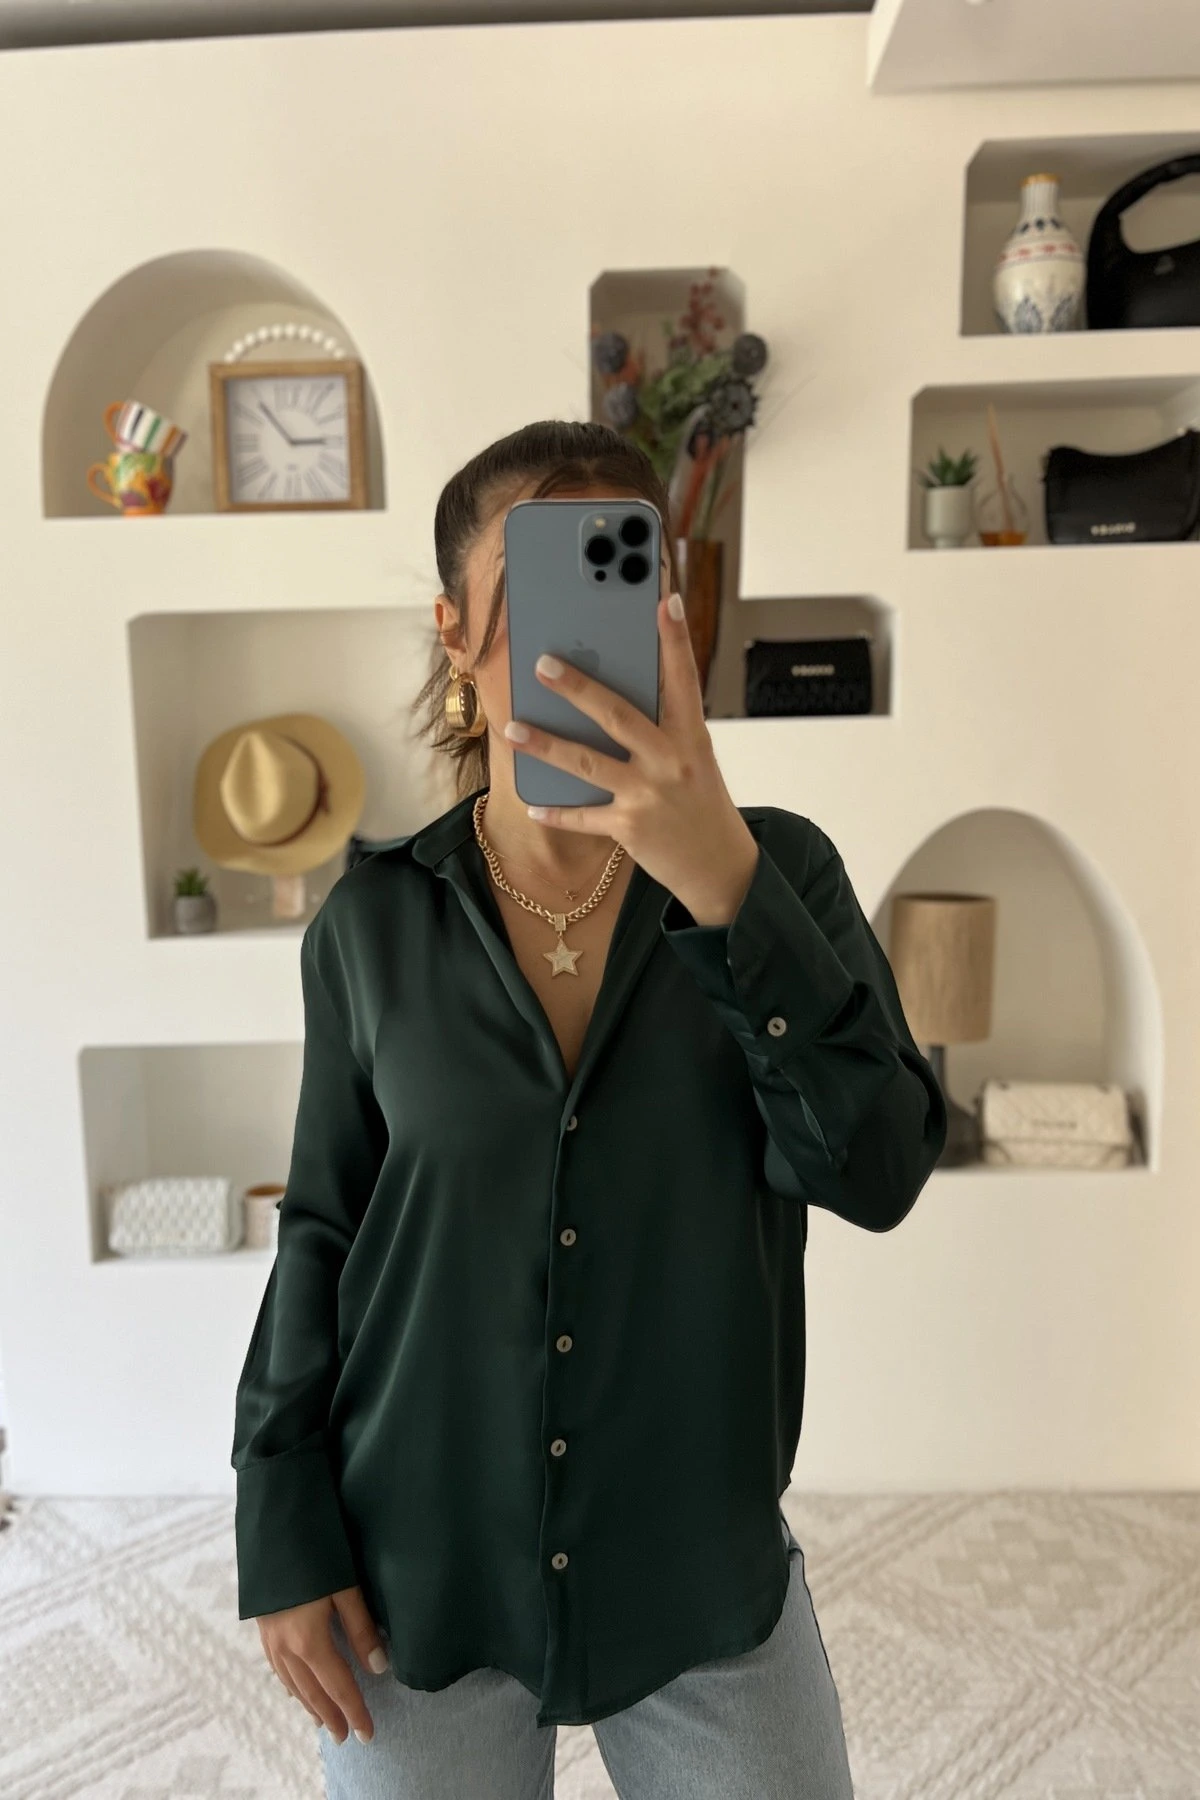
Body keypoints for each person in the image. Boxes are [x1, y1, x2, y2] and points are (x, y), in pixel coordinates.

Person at [231, 419, 948, 1799]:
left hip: (695, 1559)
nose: (583, 637)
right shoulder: (374, 925)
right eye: (536, 590)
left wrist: (725, 886)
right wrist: (280, 1520)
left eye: (628, 580)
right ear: (455, 634)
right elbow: (322, 1231)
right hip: (419, 1563)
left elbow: (877, 1170)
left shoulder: (777, 877)